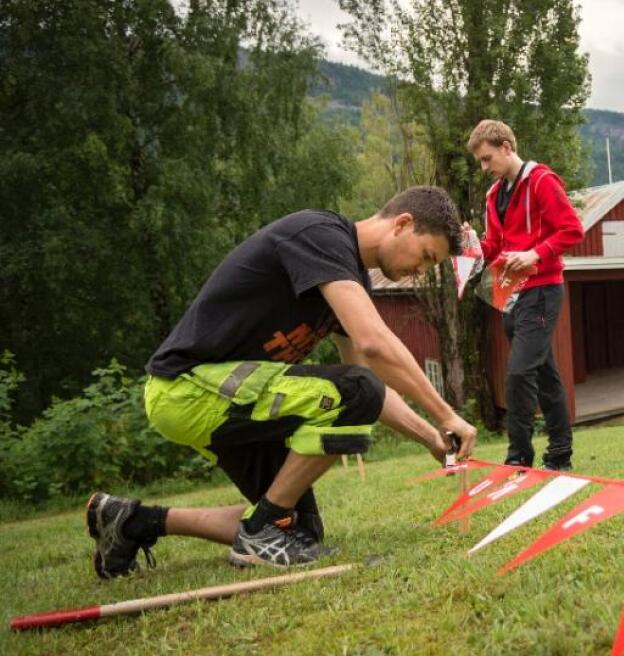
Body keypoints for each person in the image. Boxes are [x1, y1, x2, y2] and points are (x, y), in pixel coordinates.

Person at [86, 186, 477, 578]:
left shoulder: (347, 276)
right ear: (402, 223)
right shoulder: (320, 234)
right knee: (355, 393)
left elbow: (369, 386)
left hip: (227, 399)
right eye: (427, 256)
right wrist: (446, 414)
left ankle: (134, 522)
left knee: (300, 532)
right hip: (186, 390)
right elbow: (372, 347)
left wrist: (432, 439)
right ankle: (259, 531)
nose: (421, 271)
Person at [467, 119, 583, 472]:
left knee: (518, 374)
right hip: (510, 296)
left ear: (506, 147)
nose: (485, 169)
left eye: (488, 159)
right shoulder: (493, 196)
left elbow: (573, 230)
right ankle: (560, 456)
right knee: (545, 375)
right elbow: (494, 246)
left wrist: (536, 254)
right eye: (481, 163)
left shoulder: (543, 182)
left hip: (543, 290)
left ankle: (518, 458)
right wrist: (469, 244)